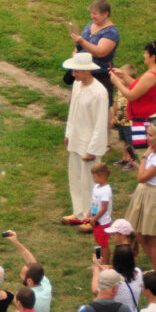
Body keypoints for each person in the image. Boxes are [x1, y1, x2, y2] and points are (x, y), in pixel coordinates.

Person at [62, 51, 110, 224]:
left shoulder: (99, 92)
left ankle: (91, 217)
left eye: (76, 71)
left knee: (90, 183)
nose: (73, 74)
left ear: (87, 70)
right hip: (76, 139)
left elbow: (100, 123)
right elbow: (72, 110)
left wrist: (93, 149)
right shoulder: (77, 85)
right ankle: (79, 213)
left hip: (89, 142)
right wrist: (68, 133)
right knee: (75, 178)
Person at [125, 120, 156, 274]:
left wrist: (144, 158)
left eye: (151, 135)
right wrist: (136, 164)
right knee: (140, 233)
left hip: (154, 197)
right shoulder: (155, 152)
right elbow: (146, 173)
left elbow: (142, 178)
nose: (148, 138)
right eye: (148, 134)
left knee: (153, 237)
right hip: (145, 193)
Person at [109, 39, 156, 166]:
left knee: (143, 156)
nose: (144, 55)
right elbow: (137, 86)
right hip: (146, 116)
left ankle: (145, 179)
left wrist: (117, 82)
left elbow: (131, 95)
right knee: (144, 154)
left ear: (153, 57)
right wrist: (123, 75)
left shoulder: (150, 75)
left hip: (143, 120)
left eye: (146, 53)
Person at [67, 0, 118, 96]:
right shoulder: (91, 24)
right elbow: (80, 45)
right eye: (91, 13)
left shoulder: (111, 33)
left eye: (95, 14)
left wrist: (82, 41)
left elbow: (100, 52)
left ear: (106, 14)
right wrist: (76, 51)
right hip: (82, 73)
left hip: (99, 75)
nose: (92, 16)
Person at [85, 162, 113, 247]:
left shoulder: (106, 190)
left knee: (103, 244)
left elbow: (104, 208)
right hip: (95, 221)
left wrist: (95, 218)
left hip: (102, 222)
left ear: (103, 176)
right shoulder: (96, 187)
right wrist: (89, 215)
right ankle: (98, 259)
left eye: (95, 176)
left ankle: (105, 260)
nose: (93, 179)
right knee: (97, 242)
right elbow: (94, 203)